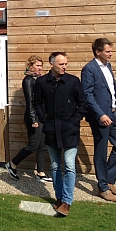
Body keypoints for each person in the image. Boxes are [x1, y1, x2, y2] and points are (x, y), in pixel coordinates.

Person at [34, 52, 87, 217]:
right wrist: (44, 118)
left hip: (70, 130)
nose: (64, 67)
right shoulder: (42, 82)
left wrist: (74, 121)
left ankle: (66, 201)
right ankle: (59, 197)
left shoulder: (73, 81)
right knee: (55, 166)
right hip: (51, 129)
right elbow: (37, 103)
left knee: (70, 166)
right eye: (61, 64)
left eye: (66, 64)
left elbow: (83, 103)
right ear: (52, 64)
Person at [81, 38, 116, 203]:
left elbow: (112, 90)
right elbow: (87, 95)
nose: (111, 54)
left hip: (114, 114)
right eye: (108, 51)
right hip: (101, 117)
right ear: (98, 52)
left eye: (111, 51)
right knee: (101, 152)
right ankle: (103, 188)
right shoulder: (89, 69)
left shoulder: (108, 66)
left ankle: (108, 180)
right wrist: (101, 114)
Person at [5, 55, 51, 182]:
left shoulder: (39, 79)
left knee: (43, 144)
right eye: (37, 65)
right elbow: (30, 101)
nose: (40, 68)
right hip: (34, 116)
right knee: (33, 145)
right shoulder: (28, 80)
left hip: (42, 115)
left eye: (41, 66)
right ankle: (12, 164)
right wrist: (33, 119)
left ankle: (40, 173)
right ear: (31, 66)